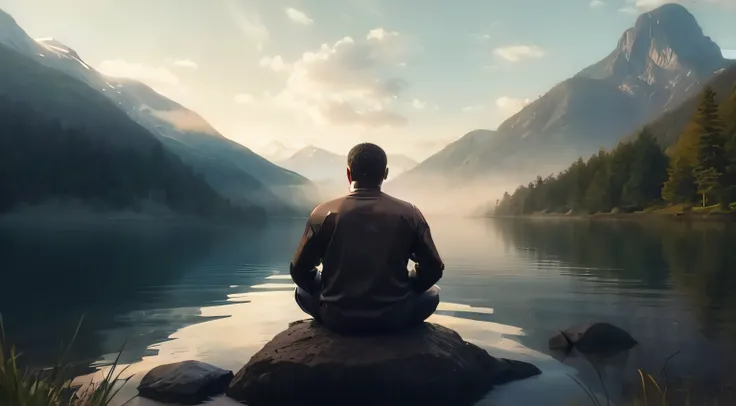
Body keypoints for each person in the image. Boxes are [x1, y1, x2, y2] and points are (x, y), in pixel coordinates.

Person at [289, 142, 445, 333]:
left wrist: (324, 286)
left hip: (336, 318)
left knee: (300, 291)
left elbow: (299, 270)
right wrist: (409, 283)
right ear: (385, 173)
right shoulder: (409, 213)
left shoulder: (322, 213)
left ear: (348, 173)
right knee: (433, 293)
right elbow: (434, 269)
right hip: (395, 317)